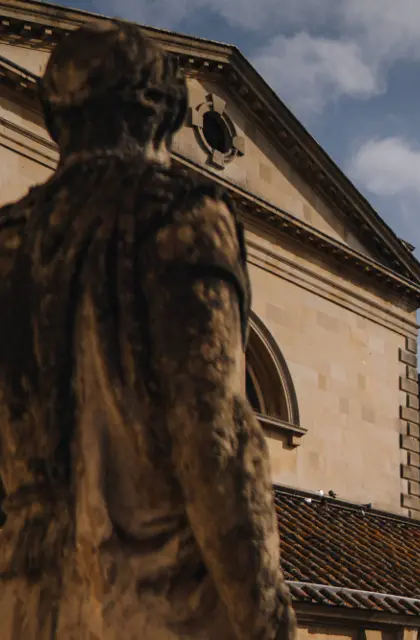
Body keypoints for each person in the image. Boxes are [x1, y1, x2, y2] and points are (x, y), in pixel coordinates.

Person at [0, 20, 296, 639]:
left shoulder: (9, 241)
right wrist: (266, 619)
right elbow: (213, 441)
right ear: (163, 115)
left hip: (27, 599)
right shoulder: (181, 215)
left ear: (55, 117)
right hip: (155, 599)